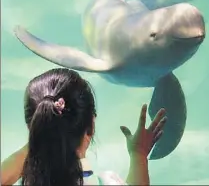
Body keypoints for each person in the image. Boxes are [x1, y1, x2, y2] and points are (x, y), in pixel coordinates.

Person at [0, 67, 167, 186]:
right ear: (91, 126)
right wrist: (139, 154)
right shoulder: (107, 182)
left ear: (33, 128)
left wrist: (43, 137)